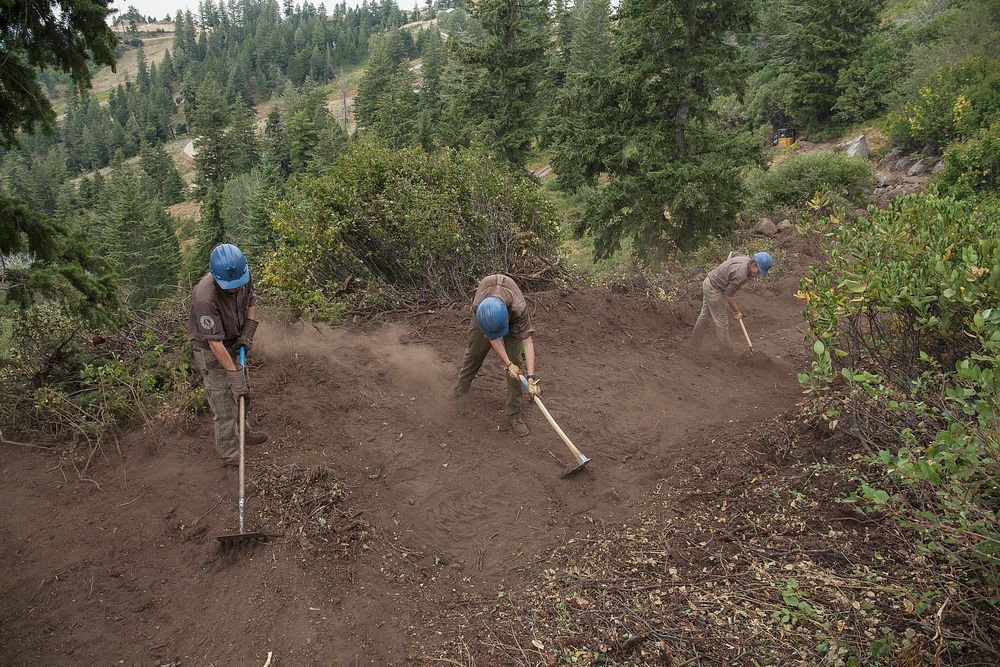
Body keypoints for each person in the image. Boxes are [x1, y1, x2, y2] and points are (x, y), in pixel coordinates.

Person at [187, 243, 267, 474]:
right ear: (215, 276)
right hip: (211, 349)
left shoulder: (243, 275)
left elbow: (251, 302)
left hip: (234, 340)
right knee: (223, 404)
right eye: (229, 288)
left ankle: (244, 431)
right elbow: (214, 343)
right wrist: (233, 375)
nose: (234, 290)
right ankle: (230, 458)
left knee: (244, 392)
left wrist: (248, 333)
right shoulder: (204, 297)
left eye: (237, 286)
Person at [454, 274, 540, 437]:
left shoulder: (518, 308)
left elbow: (527, 342)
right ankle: (461, 386)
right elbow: (492, 337)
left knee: (516, 363)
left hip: (512, 320)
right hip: (486, 316)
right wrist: (507, 364)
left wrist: (530, 377)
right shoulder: (479, 307)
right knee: (474, 352)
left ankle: (513, 413)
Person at [689, 251, 773, 352]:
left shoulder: (745, 258)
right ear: (754, 264)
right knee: (722, 320)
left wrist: (725, 270)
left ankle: (693, 343)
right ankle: (726, 351)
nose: (758, 275)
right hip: (714, 289)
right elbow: (729, 296)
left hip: (709, 282)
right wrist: (736, 311)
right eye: (758, 271)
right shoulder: (741, 276)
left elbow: (732, 253)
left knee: (705, 315)